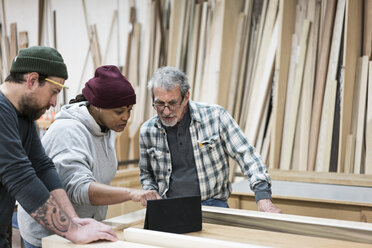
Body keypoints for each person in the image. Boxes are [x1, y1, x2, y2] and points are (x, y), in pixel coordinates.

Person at [17, 65, 161, 248]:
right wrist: (132, 193)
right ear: (99, 107)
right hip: (49, 235)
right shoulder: (69, 130)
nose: (126, 117)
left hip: (84, 227)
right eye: (119, 111)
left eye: (129, 110)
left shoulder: (105, 128)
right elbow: (79, 189)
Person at [0, 46, 118, 248]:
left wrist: (73, 219)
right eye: (54, 92)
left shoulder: (23, 117)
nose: (54, 102)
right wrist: (72, 232)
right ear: (32, 80)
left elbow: (43, 166)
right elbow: (20, 177)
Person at [139, 66, 281, 212]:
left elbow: (247, 155)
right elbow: (146, 172)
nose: (166, 111)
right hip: (169, 208)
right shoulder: (147, 131)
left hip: (213, 205)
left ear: (186, 96)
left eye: (173, 103)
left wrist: (263, 197)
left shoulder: (215, 116)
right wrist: (151, 193)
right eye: (159, 104)